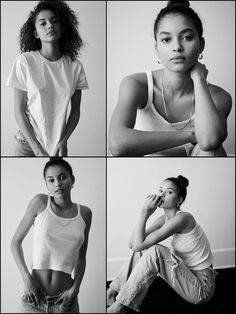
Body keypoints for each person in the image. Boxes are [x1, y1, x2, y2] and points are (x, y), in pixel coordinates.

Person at [108, 0, 232, 157]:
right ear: (157, 49)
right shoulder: (136, 84)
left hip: (193, 166)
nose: (177, 47)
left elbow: (209, 141)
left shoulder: (219, 97)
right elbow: (117, 144)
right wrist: (191, 135)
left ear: (201, 45)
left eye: (187, 37)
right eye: (166, 39)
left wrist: (199, 78)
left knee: (212, 149)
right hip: (144, 168)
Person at [107, 175, 217, 313]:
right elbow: (133, 244)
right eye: (160, 190)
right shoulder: (163, 219)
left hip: (202, 288)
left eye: (169, 192)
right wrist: (145, 214)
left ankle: (119, 306)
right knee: (143, 248)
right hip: (187, 275)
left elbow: (137, 244)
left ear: (179, 200)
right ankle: (111, 293)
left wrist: (144, 212)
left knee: (155, 251)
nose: (162, 194)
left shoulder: (183, 218)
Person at [6, 0, 89, 157]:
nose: (50, 25)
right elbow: (19, 112)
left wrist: (64, 140)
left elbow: (75, 112)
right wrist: (37, 149)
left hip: (57, 145)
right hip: (27, 145)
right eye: (42, 23)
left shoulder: (75, 66)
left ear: (63, 27)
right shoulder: (25, 62)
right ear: (36, 33)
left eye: (54, 21)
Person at [11, 157, 92, 313]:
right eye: (51, 180)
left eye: (62, 177)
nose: (58, 183)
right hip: (34, 299)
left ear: (72, 179)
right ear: (47, 185)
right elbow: (15, 242)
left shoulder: (85, 214)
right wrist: (26, 279)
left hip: (65, 302)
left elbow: (81, 257)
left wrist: (76, 288)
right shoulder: (40, 202)